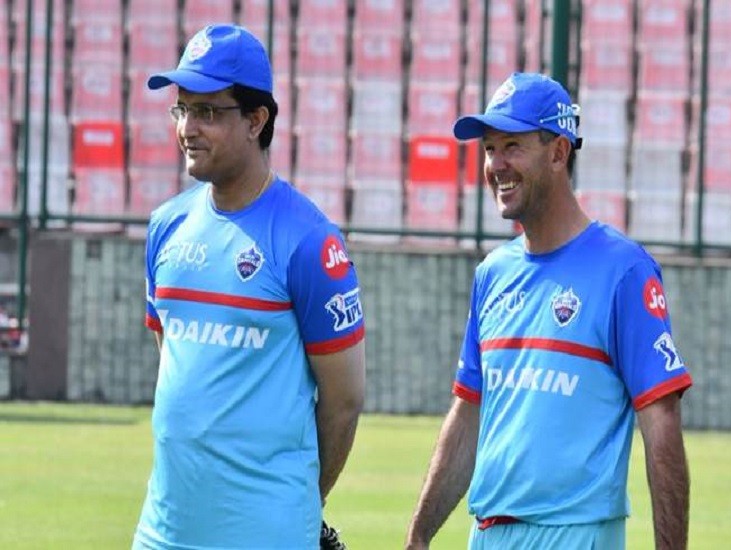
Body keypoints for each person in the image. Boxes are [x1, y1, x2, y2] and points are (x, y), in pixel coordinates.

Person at [405, 72, 692, 549]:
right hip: (487, 536)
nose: (496, 164)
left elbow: (661, 423)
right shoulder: (492, 274)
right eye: (490, 149)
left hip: (575, 536)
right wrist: (418, 536)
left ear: (559, 152)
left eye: (512, 146)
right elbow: (469, 412)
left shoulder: (624, 271)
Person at [133, 24, 365, 549]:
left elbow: (344, 401)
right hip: (163, 533)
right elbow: (173, 358)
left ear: (256, 121)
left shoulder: (310, 240)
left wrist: (299, 505)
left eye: (207, 112)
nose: (188, 128)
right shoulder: (165, 226)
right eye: (182, 109)